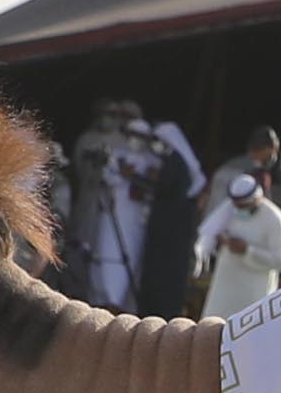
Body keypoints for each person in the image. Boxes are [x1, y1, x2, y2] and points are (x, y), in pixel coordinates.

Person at [60, 98, 203, 316]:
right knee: (108, 268)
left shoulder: (158, 162)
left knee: (132, 271)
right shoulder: (116, 155)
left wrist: (137, 180)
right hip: (112, 220)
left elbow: (159, 189)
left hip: (137, 226)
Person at [193, 129, 281, 318]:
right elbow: (211, 230)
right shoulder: (230, 212)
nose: (240, 211)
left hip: (253, 295)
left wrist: (247, 250)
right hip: (224, 290)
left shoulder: (275, 220)